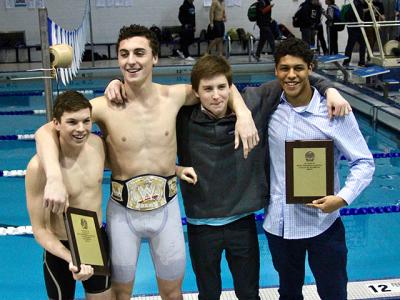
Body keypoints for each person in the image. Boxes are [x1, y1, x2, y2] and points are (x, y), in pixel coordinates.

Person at [35, 24, 259, 300]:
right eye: (124, 54)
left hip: (166, 212)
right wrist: (55, 179)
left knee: (173, 294)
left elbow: (220, 84)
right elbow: (47, 130)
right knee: (120, 293)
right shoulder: (104, 106)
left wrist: (244, 113)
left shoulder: (174, 96)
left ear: (154, 57)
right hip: (122, 214)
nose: (131, 61)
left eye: (139, 53)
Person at [174, 54, 349, 300]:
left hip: (242, 223)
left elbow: (292, 79)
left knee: (248, 294)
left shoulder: (253, 103)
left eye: (222, 87)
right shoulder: (182, 116)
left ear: (231, 87)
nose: (216, 95)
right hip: (201, 225)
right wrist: (176, 169)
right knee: (208, 294)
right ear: (196, 92)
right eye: (208, 89)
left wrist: (330, 89)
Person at [264, 38, 375, 300]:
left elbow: (364, 162)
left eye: (299, 68)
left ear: (310, 68)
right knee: (288, 293)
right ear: (276, 71)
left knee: (333, 293)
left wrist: (342, 198)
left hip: (323, 225)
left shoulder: (335, 112)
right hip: (279, 225)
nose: (291, 75)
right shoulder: (268, 109)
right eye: (284, 68)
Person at [26, 91, 111, 300]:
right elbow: (40, 230)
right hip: (60, 250)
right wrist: (70, 258)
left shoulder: (97, 146)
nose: (81, 129)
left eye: (86, 121)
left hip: (95, 240)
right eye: (72, 122)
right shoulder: (38, 168)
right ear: (56, 123)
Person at [343, 0, 367, 67]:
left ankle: (361, 62)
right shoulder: (356, 4)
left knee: (362, 45)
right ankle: (347, 62)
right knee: (351, 45)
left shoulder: (359, 4)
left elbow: (360, 13)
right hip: (354, 28)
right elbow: (353, 15)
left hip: (358, 28)